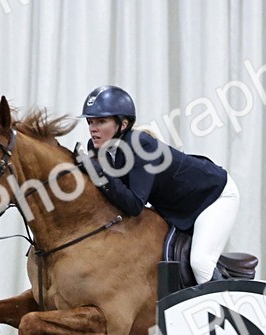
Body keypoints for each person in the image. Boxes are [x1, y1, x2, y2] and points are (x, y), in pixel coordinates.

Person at [78, 85, 239, 284]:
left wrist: (98, 171)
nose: (93, 128)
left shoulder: (140, 144)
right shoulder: (95, 148)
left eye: (101, 121)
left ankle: (222, 310)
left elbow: (135, 204)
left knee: (201, 263)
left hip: (213, 197)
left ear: (123, 123)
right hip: (174, 206)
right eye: (90, 122)